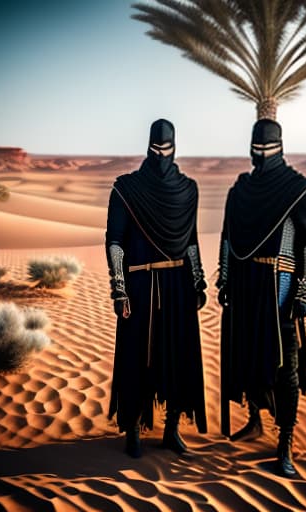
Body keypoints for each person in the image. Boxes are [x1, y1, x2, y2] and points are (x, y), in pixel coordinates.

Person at [217, 119, 306, 478]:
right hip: (244, 286)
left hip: (279, 286)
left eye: (266, 147)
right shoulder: (240, 190)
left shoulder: (298, 190)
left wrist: (304, 289)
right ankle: (255, 420)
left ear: (279, 146)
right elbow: (228, 238)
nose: (260, 153)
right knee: (247, 356)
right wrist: (226, 279)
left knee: (283, 366)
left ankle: (285, 442)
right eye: (255, 147)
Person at [105, 118, 207, 458]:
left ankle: (172, 429)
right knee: (137, 358)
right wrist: (119, 287)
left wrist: (198, 279)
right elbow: (115, 242)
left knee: (177, 357)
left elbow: (191, 239)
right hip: (139, 284)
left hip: (178, 284)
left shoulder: (188, 188)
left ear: (175, 146)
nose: (162, 154)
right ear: (148, 147)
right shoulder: (126, 188)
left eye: (167, 148)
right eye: (156, 148)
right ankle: (133, 428)